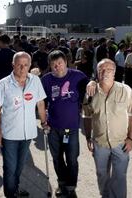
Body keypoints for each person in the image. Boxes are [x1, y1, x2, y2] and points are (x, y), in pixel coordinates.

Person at [83, 59, 132, 198]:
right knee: (101, 174)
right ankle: (105, 195)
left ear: (114, 72)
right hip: (99, 143)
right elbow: (87, 116)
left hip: (120, 144)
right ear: (97, 72)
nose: (105, 72)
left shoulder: (125, 90)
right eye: (102, 69)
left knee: (119, 176)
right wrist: (88, 138)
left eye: (109, 70)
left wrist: (131, 138)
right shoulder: (90, 92)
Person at [0, 51, 47, 198]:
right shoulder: (3, 84)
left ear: (30, 65)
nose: (22, 68)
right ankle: (10, 194)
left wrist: (44, 122)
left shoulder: (35, 81)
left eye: (26, 65)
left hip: (28, 132)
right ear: (13, 65)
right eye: (19, 65)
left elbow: (41, 102)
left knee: (19, 166)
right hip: (9, 133)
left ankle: (15, 188)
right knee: (10, 168)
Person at [41, 50, 89, 197]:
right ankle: (62, 184)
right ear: (50, 65)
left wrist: (92, 82)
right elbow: (41, 101)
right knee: (57, 158)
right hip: (53, 127)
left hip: (71, 128)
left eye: (60, 63)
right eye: (54, 65)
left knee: (72, 159)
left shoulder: (78, 76)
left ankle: (71, 186)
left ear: (66, 62)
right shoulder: (46, 79)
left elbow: (90, 87)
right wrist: (43, 121)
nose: (57, 67)